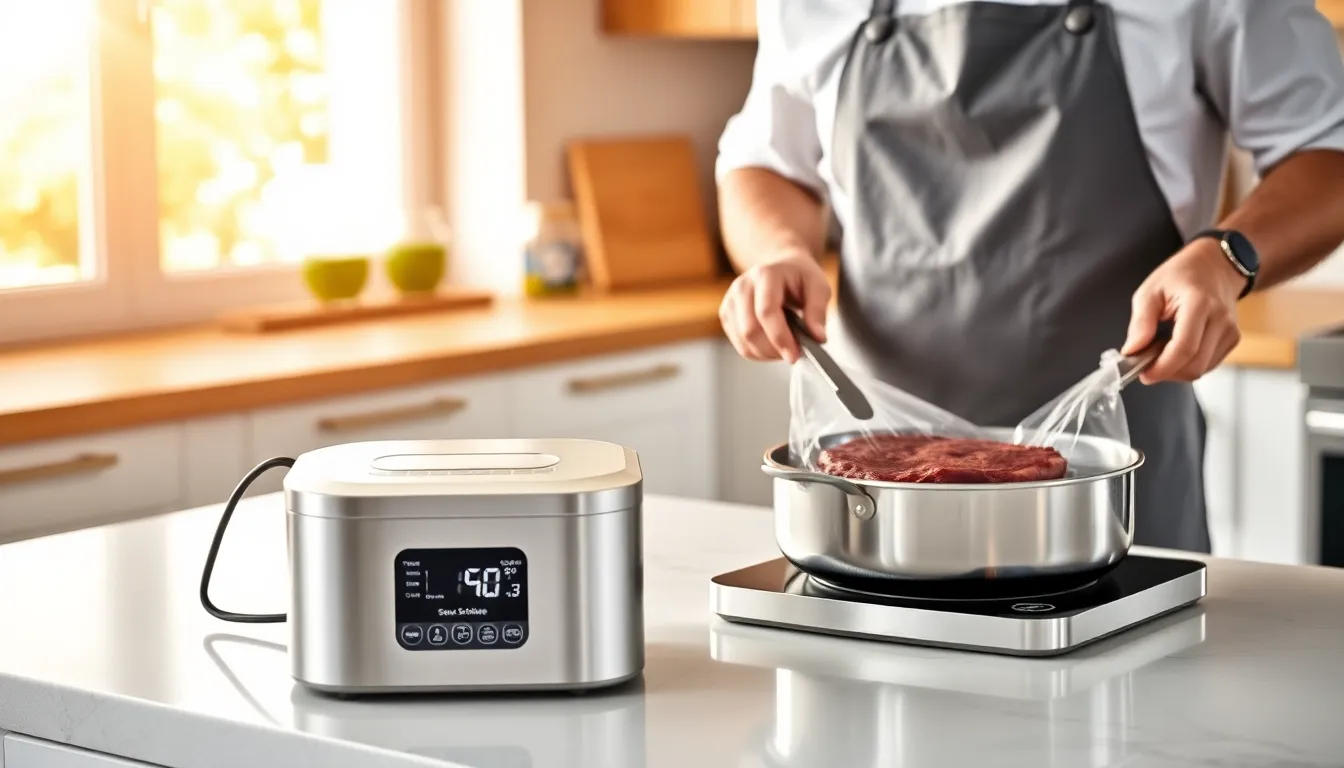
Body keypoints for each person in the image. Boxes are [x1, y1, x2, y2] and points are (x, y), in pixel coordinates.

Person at [716, 0, 1344, 553]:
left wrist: (1223, 258)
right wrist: (778, 251)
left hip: (1111, 477)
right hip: (876, 493)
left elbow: (1326, 151)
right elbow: (765, 163)